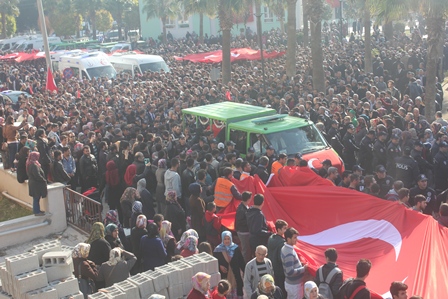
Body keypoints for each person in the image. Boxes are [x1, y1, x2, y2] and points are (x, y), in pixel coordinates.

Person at [214, 231, 246, 298]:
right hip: (225, 276)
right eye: (225, 239)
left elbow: (241, 262)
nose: (227, 241)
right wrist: (220, 266)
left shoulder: (235, 248)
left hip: (235, 276)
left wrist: (245, 272)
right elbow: (215, 262)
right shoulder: (217, 250)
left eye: (228, 239)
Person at [281, 227, 307, 299]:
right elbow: (290, 271)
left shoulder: (285, 248)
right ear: (288, 239)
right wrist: (303, 268)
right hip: (294, 286)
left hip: (292, 284)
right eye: (294, 237)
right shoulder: (289, 252)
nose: (297, 240)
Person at [267, 219, 288, 296]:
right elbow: (281, 258)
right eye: (284, 228)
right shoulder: (282, 243)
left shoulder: (271, 238)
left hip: (272, 268)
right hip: (280, 270)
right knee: (282, 290)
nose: (286, 230)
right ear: (279, 229)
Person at [26, 151, 47, 216]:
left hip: (34, 183)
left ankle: (37, 210)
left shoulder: (30, 163)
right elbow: (37, 175)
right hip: (36, 184)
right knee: (36, 198)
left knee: (36, 198)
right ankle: (36, 212)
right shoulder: (34, 165)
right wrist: (43, 180)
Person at [236, 191, 252, 263]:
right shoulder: (241, 209)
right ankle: (245, 265)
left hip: (244, 231)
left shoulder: (244, 207)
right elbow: (240, 222)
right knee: (246, 250)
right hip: (243, 232)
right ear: (248, 199)